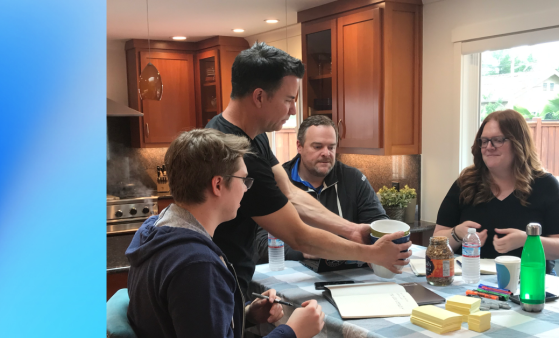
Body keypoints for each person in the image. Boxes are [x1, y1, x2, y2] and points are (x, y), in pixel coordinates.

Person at [206, 42, 411, 296]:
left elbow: (290, 194)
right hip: (218, 282)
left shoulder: (253, 136)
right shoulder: (238, 154)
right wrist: (371, 253)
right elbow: (298, 236)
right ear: (259, 96)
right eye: (289, 100)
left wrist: (352, 230)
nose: (293, 110)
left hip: (230, 277)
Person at [126, 129, 325, 338]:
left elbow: (189, 323)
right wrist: (292, 332)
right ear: (218, 184)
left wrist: (245, 314)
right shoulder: (197, 265)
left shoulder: (155, 231)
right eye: (244, 180)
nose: (246, 189)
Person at [434, 109, 559, 274]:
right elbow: (437, 239)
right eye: (484, 141)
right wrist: (457, 234)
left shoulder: (545, 185)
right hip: (470, 281)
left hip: (529, 283)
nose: (489, 147)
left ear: (519, 143)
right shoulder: (466, 183)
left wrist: (527, 241)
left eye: (497, 140)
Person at [254, 115, 388, 263]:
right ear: (299, 146)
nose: (326, 153)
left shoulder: (353, 179)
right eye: (318, 147)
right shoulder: (278, 181)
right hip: (296, 274)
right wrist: (305, 251)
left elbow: (378, 225)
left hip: (348, 271)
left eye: (331, 147)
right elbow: (260, 243)